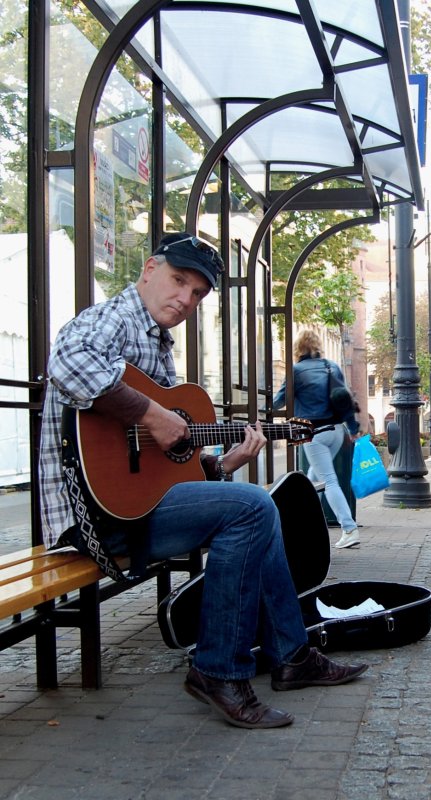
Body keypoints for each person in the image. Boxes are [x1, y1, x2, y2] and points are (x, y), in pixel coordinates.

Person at [39, 232, 368, 730]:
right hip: (91, 517)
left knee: (256, 506)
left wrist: (226, 463)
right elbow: (67, 364)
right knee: (252, 508)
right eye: (178, 282)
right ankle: (217, 670)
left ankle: (291, 655)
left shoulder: (158, 342)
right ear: (148, 269)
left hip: (135, 506)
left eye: (197, 294)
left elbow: (168, 462)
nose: (185, 299)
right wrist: (151, 412)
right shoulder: (115, 317)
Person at [273, 329, 361, 550]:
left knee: (328, 481)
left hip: (314, 435)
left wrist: (263, 406)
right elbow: (344, 399)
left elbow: (279, 401)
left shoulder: (296, 371)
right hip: (336, 432)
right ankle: (306, 529)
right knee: (313, 478)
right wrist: (353, 429)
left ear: (298, 348)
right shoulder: (332, 366)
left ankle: (349, 529)